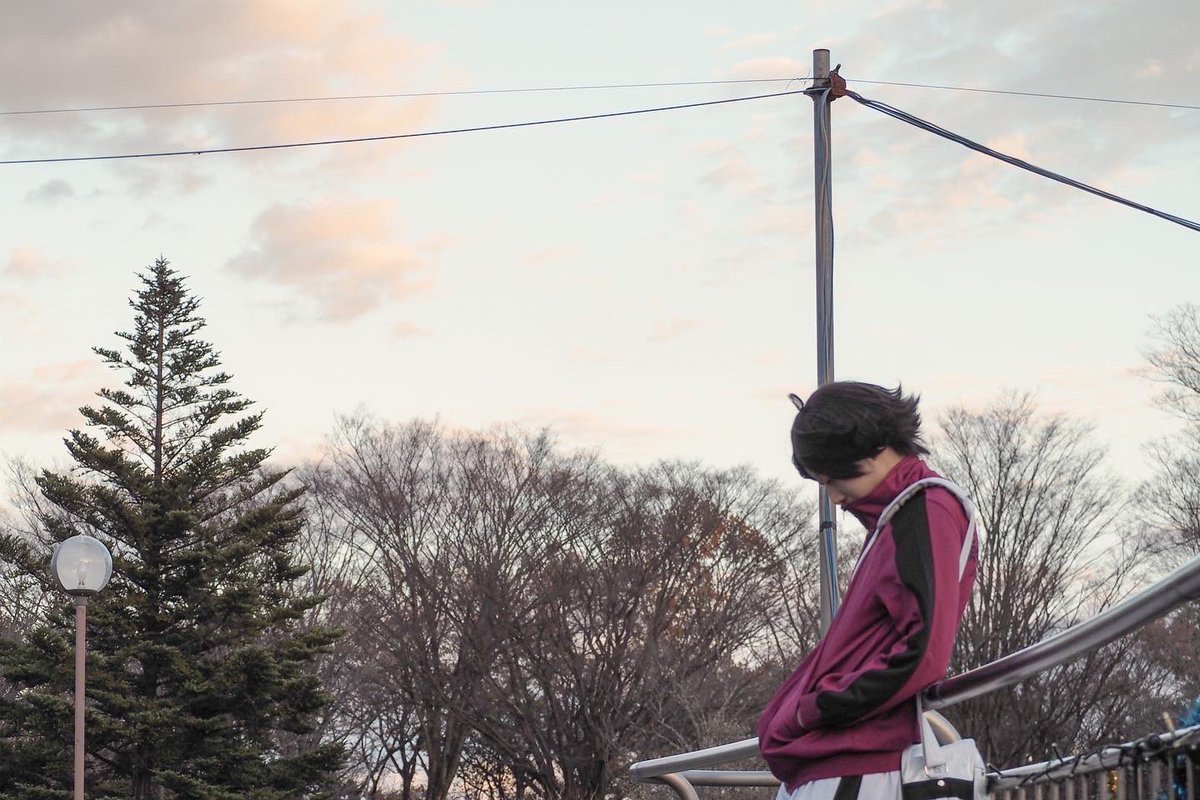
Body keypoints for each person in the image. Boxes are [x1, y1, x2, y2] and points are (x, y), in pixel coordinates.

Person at [757, 381, 978, 800]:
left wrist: (814, 708)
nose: (834, 496)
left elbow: (925, 652)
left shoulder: (927, 507)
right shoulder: (897, 517)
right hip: (839, 763)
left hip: (859, 764)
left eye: (835, 477)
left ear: (873, 448)